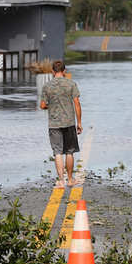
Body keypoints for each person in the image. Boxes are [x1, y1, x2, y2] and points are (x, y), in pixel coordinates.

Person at [40, 60, 83, 188]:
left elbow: (42, 105)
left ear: (53, 71)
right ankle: (70, 180)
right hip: (69, 122)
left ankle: (61, 181)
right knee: (69, 152)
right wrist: (79, 123)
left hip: (54, 123)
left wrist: (51, 107)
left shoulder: (47, 86)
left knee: (57, 152)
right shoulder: (71, 84)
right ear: (64, 71)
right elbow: (77, 103)